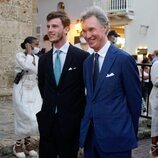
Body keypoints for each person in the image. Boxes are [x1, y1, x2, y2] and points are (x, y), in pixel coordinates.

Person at [79, 6, 142, 158]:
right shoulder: (87, 63)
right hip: (90, 141)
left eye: (91, 29)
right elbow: (91, 100)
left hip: (117, 140)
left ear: (104, 27)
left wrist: (126, 134)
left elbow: (135, 103)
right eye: (84, 31)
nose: (87, 35)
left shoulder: (123, 59)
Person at [36, 11, 89, 158]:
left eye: (55, 26)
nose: (50, 30)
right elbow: (43, 88)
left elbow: (86, 89)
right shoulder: (43, 59)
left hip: (71, 124)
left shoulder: (82, 57)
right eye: (48, 26)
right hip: (47, 123)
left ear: (66, 29)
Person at [12, 36, 42, 158]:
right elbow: (27, 67)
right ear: (27, 45)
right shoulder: (20, 56)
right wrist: (29, 53)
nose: (37, 47)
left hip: (34, 89)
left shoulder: (37, 58)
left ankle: (28, 144)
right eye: (34, 44)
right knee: (23, 116)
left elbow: (37, 71)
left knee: (33, 117)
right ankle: (17, 145)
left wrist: (31, 58)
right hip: (21, 90)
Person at [149, 60, 158, 157]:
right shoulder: (156, 64)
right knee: (155, 123)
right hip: (156, 99)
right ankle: (153, 148)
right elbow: (155, 81)